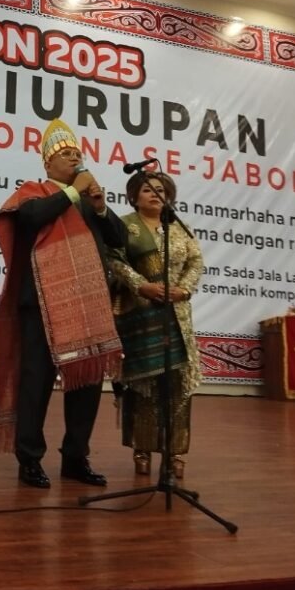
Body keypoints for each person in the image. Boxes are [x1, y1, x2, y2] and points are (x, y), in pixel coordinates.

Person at [0, 119, 125, 488]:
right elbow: (31, 218)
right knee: (35, 383)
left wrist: (100, 207)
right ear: (48, 162)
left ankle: (75, 457)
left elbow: (119, 239)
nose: (74, 158)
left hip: (86, 306)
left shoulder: (88, 201)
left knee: (87, 383)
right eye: (66, 153)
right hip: (41, 303)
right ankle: (30, 459)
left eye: (77, 153)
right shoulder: (34, 192)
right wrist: (72, 192)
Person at [110, 172, 203, 479]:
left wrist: (184, 290)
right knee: (144, 385)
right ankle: (142, 449)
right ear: (134, 196)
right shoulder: (125, 226)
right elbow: (114, 260)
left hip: (176, 313)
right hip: (140, 311)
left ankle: (176, 453)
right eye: (147, 189)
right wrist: (141, 285)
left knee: (177, 385)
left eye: (160, 189)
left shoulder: (179, 228)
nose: (154, 193)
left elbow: (195, 262)